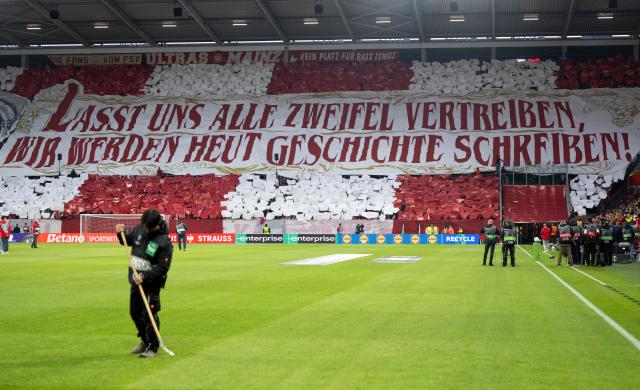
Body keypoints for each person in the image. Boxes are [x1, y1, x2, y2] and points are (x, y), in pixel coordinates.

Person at [116, 210, 173, 358]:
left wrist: (145, 276)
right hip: (135, 279)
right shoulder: (140, 227)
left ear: (156, 226)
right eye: (144, 225)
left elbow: (162, 267)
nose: (145, 229)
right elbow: (127, 241)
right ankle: (144, 340)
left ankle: (152, 347)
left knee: (150, 314)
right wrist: (119, 233)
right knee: (135, 312)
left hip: (152, 282)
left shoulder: (164, 241)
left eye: (148, 227)